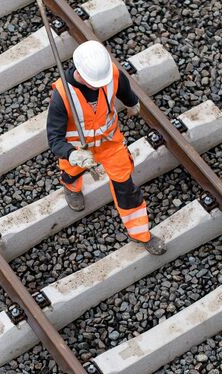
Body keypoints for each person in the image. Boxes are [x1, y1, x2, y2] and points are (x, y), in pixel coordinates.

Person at [46, 40, 166, 255]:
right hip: (79, 150)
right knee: (71, 172)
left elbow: (122, 87)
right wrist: (72, 154)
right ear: (80, 74)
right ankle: (71, 187)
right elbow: (54, 139)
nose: (100, 85)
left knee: (126, 187)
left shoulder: (109, 74)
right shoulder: (62, 96)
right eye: (95, 82)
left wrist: (131, 103)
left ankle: (141, 234)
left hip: (110, 144)